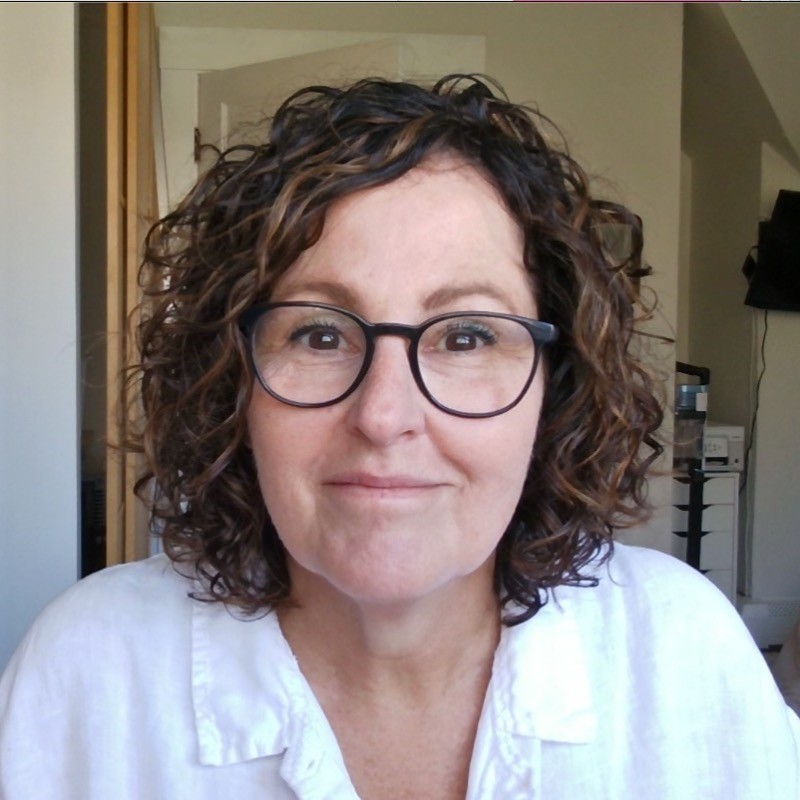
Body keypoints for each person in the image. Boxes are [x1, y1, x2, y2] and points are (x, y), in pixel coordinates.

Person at [1, 75, 798, 800]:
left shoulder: (682, 652)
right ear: (231, 380)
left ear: (554, 389)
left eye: (466, 337)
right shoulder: (87, 670)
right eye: (318, 334)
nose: (384, 416)